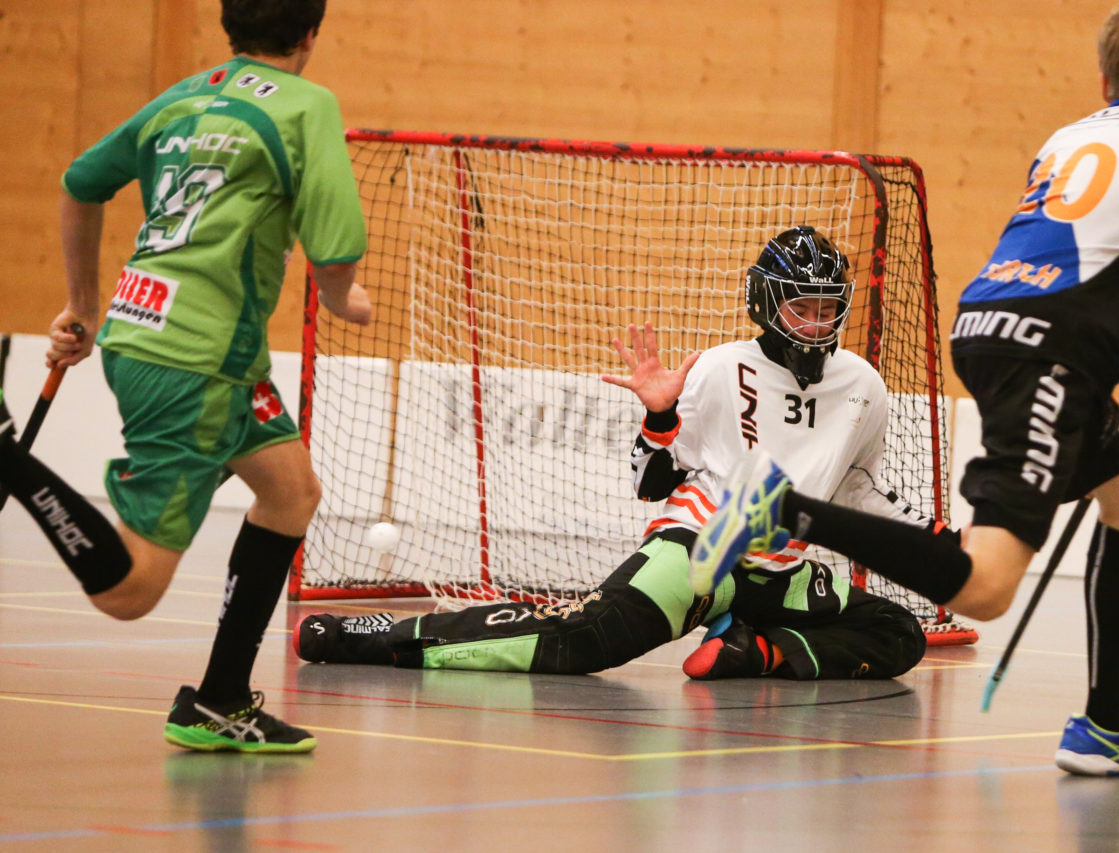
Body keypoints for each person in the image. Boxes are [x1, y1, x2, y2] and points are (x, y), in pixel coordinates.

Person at [691, 0, 1119, 777]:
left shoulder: (1067, 137)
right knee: (985, 588)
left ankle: (1108, 722)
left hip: (984, 322)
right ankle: (785, 508)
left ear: (1103, 77)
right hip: (1049, 351)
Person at [293, 226, 933, 682]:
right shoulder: (717, 369)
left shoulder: (862, 385)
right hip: (701, 550)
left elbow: (852, 490)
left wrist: (930, 536)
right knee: (581, 642)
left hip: (780, 575)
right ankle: (382, 636)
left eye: (830, 310)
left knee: (900, 633)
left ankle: (750, 652)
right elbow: (653, 485)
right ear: (766, 304)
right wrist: (658, 413)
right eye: (803, 309)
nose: (818, 326)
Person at [0, 0, 371, 752]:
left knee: (289, 489)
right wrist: (344, 298)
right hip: (196, 359)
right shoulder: (307, 104)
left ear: (232, 28)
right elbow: (335, 253)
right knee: (133, 591)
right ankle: (9, 455)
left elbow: (79, 182)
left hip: (160, 335)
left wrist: (81, 306)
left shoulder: (187, 92)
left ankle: (220, 699)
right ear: (310, 34)